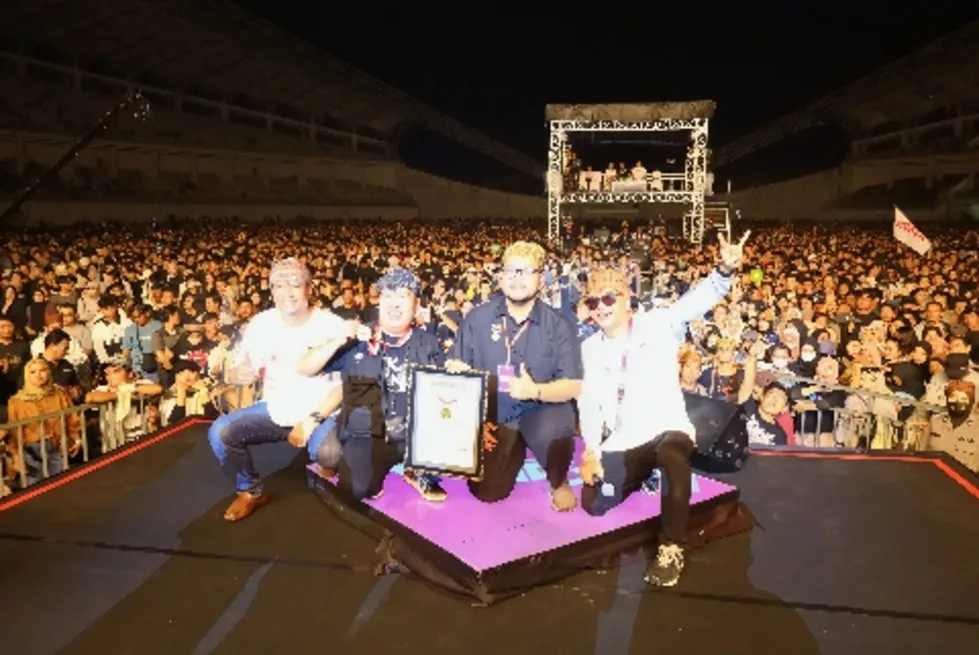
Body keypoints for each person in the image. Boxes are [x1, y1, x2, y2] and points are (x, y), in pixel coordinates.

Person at [578, 230, 750, 587]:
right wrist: (592, 451)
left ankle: (671, 546)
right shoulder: (590, 348)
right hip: (627, 439)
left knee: (673, 457)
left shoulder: (657, 323)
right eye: (593, 302)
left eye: (608, 298)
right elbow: (590, 401)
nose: (601, 307)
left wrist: (724, 270)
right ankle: (644, 473)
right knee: (594, 502)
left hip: (669, 428)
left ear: (627, 299)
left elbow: (695, 301)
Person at [207, 258, 357, 522]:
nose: (288, 292)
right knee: (221, 433)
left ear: (309, 288)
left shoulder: (332, 325)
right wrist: (236, 374)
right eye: (279, 285)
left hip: (324, 412)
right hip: (277, 409)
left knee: (327, 454)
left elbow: (348, 384)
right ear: (272, 290)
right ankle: (250, 491)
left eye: (295, 284)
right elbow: (241, 366)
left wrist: (314, 419)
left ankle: (330, 470)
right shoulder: (260, 324)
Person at [445, 241, 583, 511]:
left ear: (541, 277)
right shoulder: (477, 319)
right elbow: (457, 363)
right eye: (511, 271)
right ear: (500, 277)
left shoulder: (559, 325)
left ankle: (559, 480)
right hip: (496, 413)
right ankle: (514, 447)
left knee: (554, 430)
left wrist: (536, 391)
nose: (517, 278)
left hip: (541, 408)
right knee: (488, 491)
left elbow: (573, 385)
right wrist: (457, 372)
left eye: (526, 271)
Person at [297, 268, 452, 501]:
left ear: (416, 304)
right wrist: (337, 339)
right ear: (378, 301)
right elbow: (304, 367)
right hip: (368, 432)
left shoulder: (429, 343)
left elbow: (448, 391)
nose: (395, 303)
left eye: (403, 296)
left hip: (414, 432)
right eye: (388, 295)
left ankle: (415, 469)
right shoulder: (358, 338)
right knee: (356, 490)